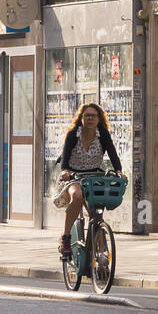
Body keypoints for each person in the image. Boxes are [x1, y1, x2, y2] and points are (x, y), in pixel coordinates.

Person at [55, 103, 123, 260]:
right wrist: (65, 171)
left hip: (93, 176)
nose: (90, 118)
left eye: (94, 115)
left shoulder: (103, 134)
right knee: (77, 197)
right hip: (72, 176)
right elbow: (65, 158)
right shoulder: (73, 134)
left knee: (95, 213)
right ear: (81, 118)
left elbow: (113, 154)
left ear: (99, 119)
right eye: (87, 115)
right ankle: (66, 238)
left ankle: (101, 250)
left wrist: (119, 172)